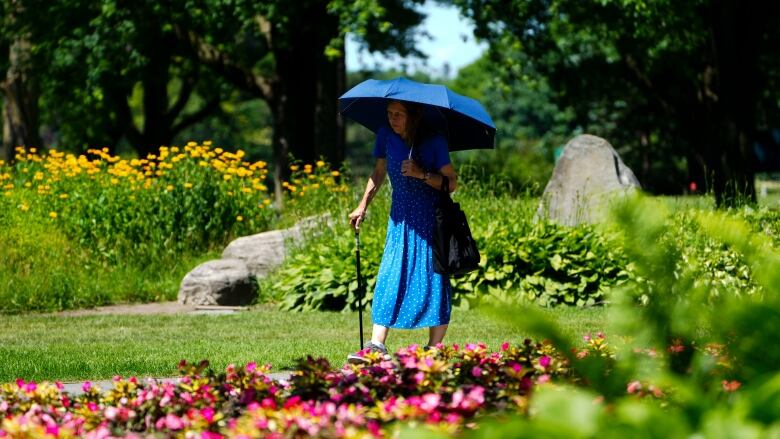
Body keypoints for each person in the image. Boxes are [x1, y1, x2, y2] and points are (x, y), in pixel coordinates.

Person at [347, 100, 458, 364]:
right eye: (389, 113)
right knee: (390, 273)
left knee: (435, 278)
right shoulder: (385, 135)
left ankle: (434, 347)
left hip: (431, 218)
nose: (392, 119)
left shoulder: (434, 141)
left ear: (413, 116)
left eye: (398, 114)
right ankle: (376, 345)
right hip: (399, 219)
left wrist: (422, 174)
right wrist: (362, 205)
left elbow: (451, 183)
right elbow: (378, 172)